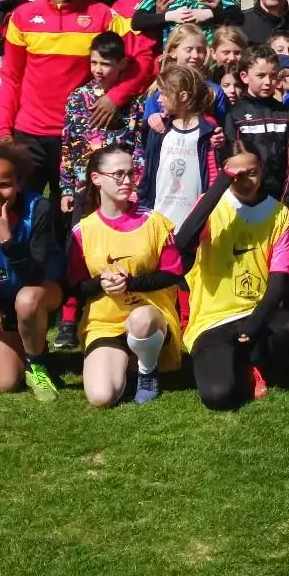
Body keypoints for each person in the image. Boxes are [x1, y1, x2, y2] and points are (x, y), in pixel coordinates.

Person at [0, 0, 152, 196]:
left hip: (81, 132)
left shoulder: (104, 16)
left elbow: (143, 59)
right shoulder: (22, 16)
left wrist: (116, 96)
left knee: (74, 215)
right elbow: (11, 78)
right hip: (29, 135)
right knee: (27, 214)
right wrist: (2, 130)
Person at [173, 152, 289, 409]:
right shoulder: (210, 206)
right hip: (212, 320)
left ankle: (253, 359)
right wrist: (221, 183)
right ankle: (242, 367)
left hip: (254, 314)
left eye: (251, 172)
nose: (244, 180)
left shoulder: (279, 214)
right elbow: (181, 244)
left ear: (261, 171)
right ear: (224, 173)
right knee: (218, 396)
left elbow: (279, 281)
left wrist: (255, 322)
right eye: (235, 174)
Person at [67, 144, 185, 407]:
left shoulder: (155, 222)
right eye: (118, 174)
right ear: (96, 179)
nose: (128, 180)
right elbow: (75, 287)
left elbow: (173, 274)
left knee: (141, 319)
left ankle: (146, 370)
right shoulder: (83, 230)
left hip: (150, 316)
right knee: (101, 398)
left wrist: (131, 283)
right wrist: (100, 284)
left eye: (131, 173)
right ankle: (128, 360)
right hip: (105, 321)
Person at [0, 143, 63, 398]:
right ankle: (27, 343)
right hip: (2, 303)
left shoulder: (39, 209)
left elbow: (34, 275)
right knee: (7, 383)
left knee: (27, 299)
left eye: (4, 185)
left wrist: (6, 240)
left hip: (43, 293)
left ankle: (37, 363)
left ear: (19, 184)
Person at [62, 33, 145, 204]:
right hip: (84, 186)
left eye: (105, 64)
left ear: (121, 64)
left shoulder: (134, 103)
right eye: (94, 62)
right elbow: (68, 145)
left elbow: (138, 148)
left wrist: (135, 186)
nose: (98, 70)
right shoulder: (77, 97)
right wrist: (66, 189)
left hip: (120, 187)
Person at [141, 66, 224, 227]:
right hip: (158, 219)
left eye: (164, 94)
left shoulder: (208, 130)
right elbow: (149, 172)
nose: (158, 99)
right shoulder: (159, 128)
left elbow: (213, 174)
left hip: (194, 221)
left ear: (183, 96)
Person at [225, 45, 289, 211]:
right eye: (261, 75)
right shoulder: (235, 114)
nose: (268, 82)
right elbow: (233, 163)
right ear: (244, 77)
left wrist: (285, 202)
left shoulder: (284, 113)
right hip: (245, 201)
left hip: (281, 200)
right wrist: (244, 199)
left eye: (273, 76)